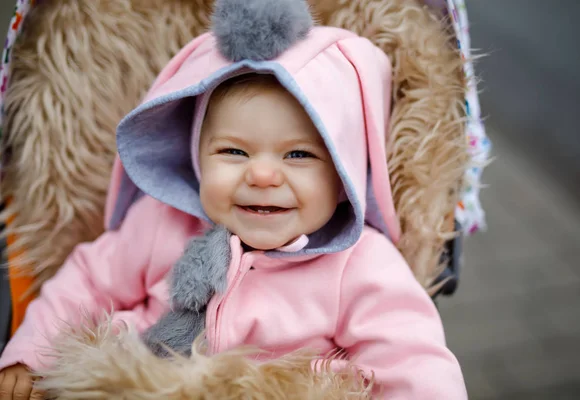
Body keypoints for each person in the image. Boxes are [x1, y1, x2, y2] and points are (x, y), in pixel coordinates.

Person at [0, 0, 467, 398]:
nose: (262, 174)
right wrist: (31, 353)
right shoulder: (162, 223)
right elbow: (86, 283)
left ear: (343, 176)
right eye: (234, 151)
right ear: (198, 157)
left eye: (299, 154)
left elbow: (414, 359)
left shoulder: (360, 264)